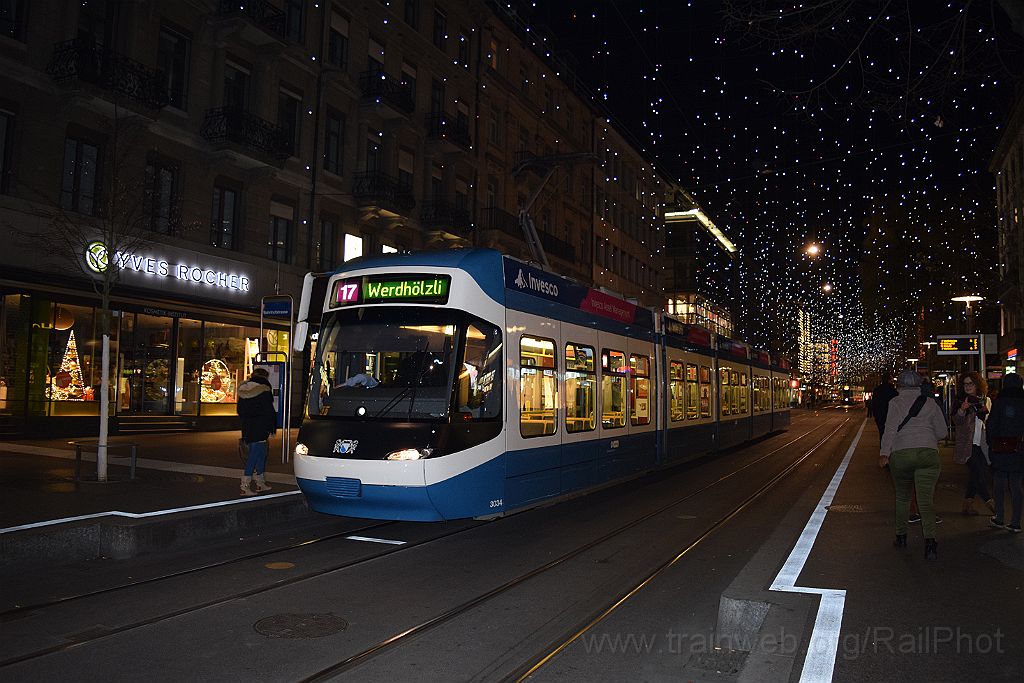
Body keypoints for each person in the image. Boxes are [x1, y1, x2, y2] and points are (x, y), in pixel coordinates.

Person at [880, 369, 947, 560]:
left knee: (902, 497)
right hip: (928, 454)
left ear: (899, 386)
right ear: (920, 385)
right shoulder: (931, 403)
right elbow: (942, 432)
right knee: (925, 501)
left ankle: (901, 537)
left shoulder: (895, 402)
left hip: (901, 454)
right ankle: (931, 544)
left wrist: (884, 453)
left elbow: (890, 429)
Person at [985, 372, 1024, 532]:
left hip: (1000, 448)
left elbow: (992, 425)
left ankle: (999, 518)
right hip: (1020, 449)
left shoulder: (999, 401)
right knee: (1016, 485)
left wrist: (991, 444)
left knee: (999, 483)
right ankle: (1016, 522)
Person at [952, 371, 993, 516]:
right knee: (979, 472)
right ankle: (991, 503)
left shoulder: (986, 400)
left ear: (977, 385)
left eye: (970, 383)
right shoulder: (960, 400)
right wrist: (962, 410)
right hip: (967, 444)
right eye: (965, 384)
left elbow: (988, 421)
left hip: (981, 442)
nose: (967, 386)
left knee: (976, 473)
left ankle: (967, 503)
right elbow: (956, 421)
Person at [237, 367, 277, 496]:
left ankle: (260, 483)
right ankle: (245, 485)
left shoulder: (243, 391)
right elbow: (268, 411)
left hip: (248, 427)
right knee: (255, 455)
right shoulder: (264, 390)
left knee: (260, 453)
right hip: (260, 427)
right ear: (264, 378)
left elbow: (240, 411)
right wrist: (271, 427)